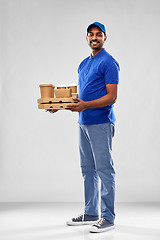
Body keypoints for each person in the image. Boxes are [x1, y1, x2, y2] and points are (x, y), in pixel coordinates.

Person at [48, 22, 120, 233]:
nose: (94, 38)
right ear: (87, 38)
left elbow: (111, 96)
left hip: (101, 123)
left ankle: (108, 217)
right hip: (83, 123)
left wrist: (85, 105)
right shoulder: (83, 64)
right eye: (91, 35)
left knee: (104, 170)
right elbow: (83, 95)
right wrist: (60, 106)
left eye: (99, 35)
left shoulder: (109, 62)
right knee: (87, 170)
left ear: (105, 38)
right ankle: (91, 212)